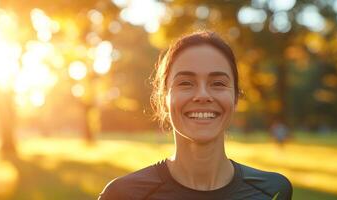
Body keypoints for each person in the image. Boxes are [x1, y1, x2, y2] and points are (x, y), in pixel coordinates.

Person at [98, 31, 292, 200]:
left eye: (218, 83)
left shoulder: (273, 191)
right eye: (185, 83)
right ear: (164, 98)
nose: (202, 96)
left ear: (235, 98)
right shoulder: (123, 195)